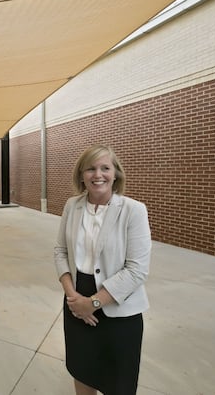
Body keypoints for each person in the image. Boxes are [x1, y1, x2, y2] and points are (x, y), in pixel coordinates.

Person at [54, 144, 151, 395]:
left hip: (118, 307)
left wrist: (93, 303)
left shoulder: (133, 210)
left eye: (105, 168)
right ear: (81, 175)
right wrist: (73, 298)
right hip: (76, 301)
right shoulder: (71, 206)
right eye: (91, 169)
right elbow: (61, 252)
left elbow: (136, 270)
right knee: (82, 370)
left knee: (118, 383)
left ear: (116, 173)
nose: (98, 175)